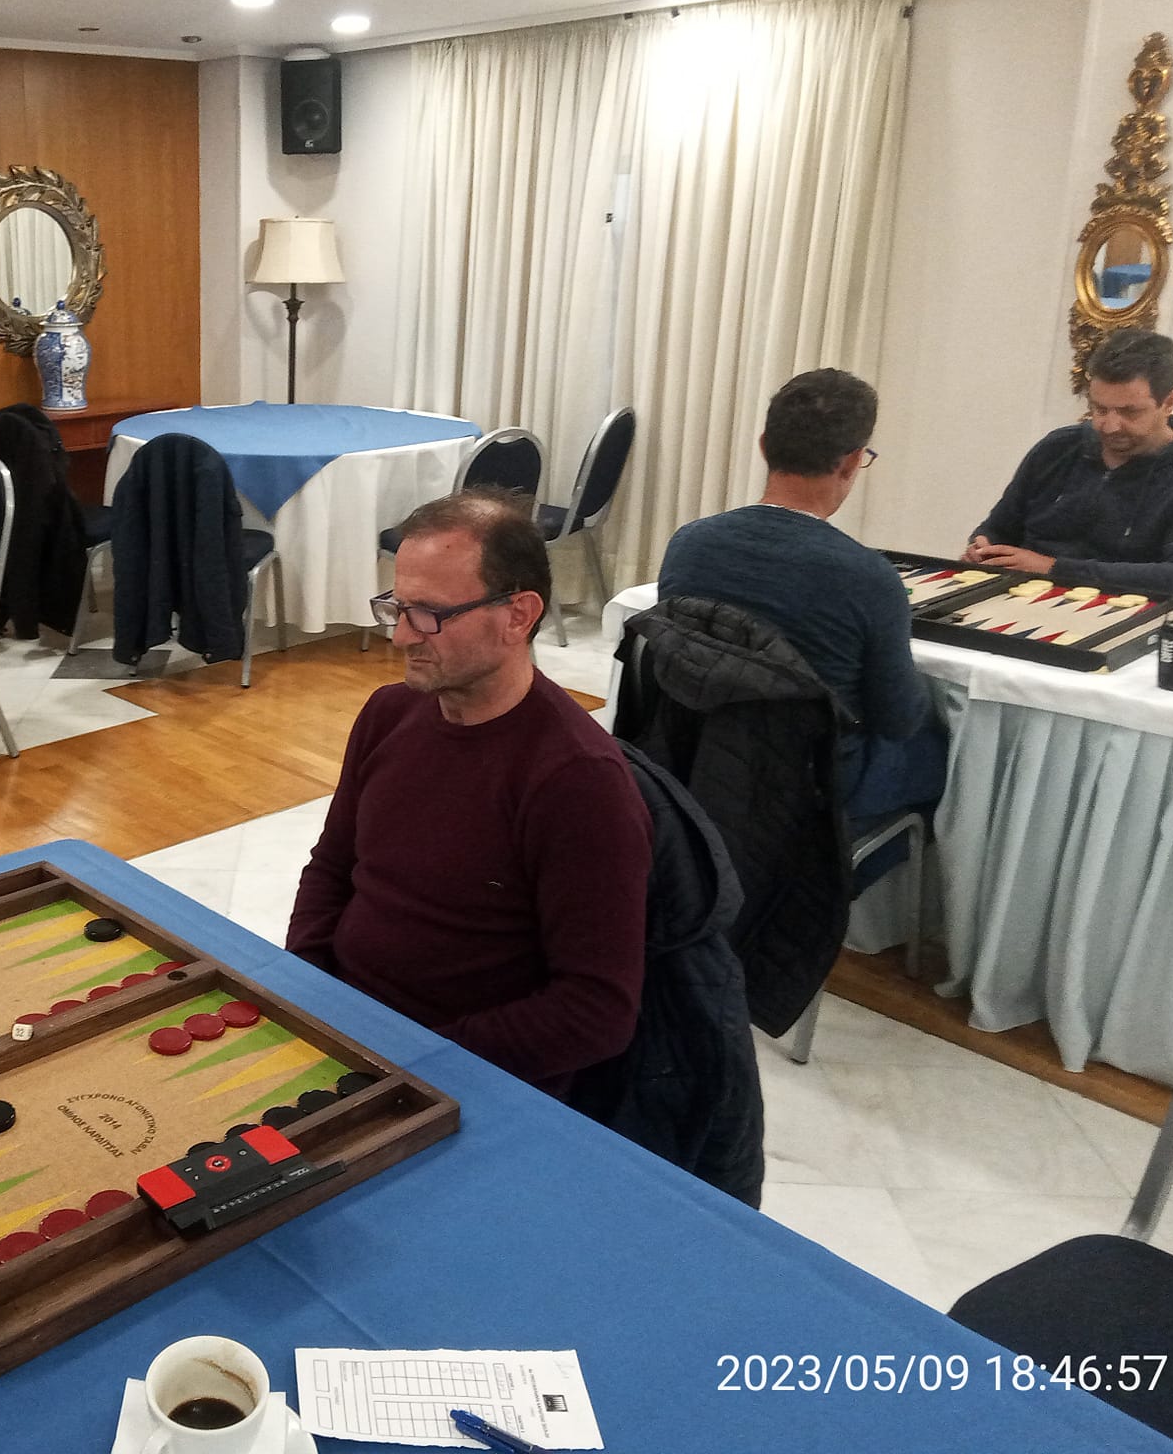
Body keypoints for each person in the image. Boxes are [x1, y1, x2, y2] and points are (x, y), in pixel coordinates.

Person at [287, 490, 651, 1100]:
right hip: (344, 1036)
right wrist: (307, 989)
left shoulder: (579, 781)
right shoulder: (388, 713)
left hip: (456, 1078)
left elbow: (595, 1011)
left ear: (518, 615)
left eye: (430, 614)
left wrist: (410, 1063)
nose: (402, 637)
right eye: (397, 608)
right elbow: (331, 868)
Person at [659, 367, 945, 834]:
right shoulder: (869, 578)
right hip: (815, 788)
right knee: (939, 748)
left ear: (763, 446)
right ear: (852, 462)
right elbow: (898, 719)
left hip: (697, 763)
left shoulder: (688, 544)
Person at [964, 328, 1173, 594]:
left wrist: (1054, 569)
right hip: (1017, 597)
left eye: (1129, 412)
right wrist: (983, 547)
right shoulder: (1057, 448)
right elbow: (998, 528)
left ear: (1169, 402)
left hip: (1125, 611)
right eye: (1099, 409)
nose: (1110, 426)